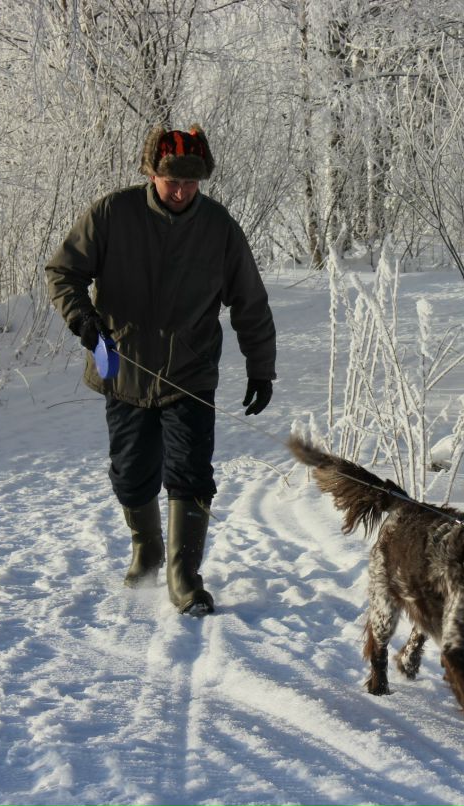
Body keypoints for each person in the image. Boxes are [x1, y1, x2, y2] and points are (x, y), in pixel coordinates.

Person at [45, 125, 276, 616]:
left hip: (189, 373)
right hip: (124, 370)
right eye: (172, 180)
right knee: (131, 475)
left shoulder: (218, 227)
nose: (181, 191)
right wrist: (82, 319)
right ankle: (146, 551)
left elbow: (249, 301)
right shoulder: (112, 214)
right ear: (151, 173)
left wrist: (262, 368)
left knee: (190, 473)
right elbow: (62, 272)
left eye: (191, 183)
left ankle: (183, 574)